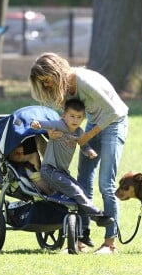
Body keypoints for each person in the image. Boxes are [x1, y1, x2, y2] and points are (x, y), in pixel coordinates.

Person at [29, 53, 128, 254]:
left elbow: (113, 111)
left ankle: (110, 243)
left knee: (106, 184)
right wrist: (51, 131)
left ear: (56, 73)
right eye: (43, 83)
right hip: (93, 124)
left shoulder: (83, 80)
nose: (47, 86)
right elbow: (63, 119)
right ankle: (81, 240)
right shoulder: (67, 88)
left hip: (114, 124)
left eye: (47, 80)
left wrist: (87, 137)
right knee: (83, 182)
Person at [30, 98, 114, 229]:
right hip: (49, 170)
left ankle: (84, 232)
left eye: (79, 117)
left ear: (83, 118)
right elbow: (47, 123)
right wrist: (37, 124)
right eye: (72, 116)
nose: (75, 120)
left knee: (82, 191)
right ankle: (97, 215)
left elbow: (83, 144)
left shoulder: (79, 132)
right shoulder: (60, 125)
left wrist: (89, 151)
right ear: (64, 116)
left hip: (62, 173)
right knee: (76, 191)